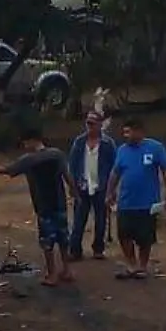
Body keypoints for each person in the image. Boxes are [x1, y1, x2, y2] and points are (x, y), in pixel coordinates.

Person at [0, 126, 76, 287]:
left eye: (24, 142)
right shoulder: (57, 154)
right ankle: (67, 270)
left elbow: (8, 170)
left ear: (31, 140)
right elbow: (68, 175)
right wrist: (74, 192)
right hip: (60, 203)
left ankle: (52, 274)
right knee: (63, 238)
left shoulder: (30, 159)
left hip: (44, 206)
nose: (24, 146)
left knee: (47, 242)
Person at [107, 117, 166, 281]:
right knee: (124, 235)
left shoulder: (155, 148)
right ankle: (131, 264)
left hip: (147, 202)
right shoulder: (122, 150)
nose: (125, 135)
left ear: (139, 132)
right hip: (126, 201)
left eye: (129, 132)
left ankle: (142, 266)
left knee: (145, 237)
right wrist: (110, 192)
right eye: (124, 132)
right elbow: (115, 172)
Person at [66, 110, 116, 261]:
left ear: (100, 125)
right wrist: (71, 185)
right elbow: (72, 165)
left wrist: (112, 190)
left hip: (101, 186)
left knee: (101, 220)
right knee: (79, 220)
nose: (89, 126)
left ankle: (98, 249)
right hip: (82, 185)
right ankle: (75, 250)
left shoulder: (108, 144)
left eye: (93, 123)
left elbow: (115, 167)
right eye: (88, 123)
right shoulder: (79, 142)